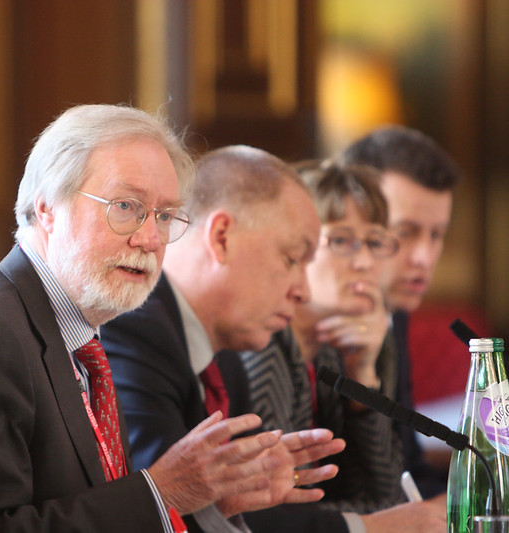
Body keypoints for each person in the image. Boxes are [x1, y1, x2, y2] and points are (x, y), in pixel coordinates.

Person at [0, 104, 344, 533]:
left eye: (164, 216)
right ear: (47, 209)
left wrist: (208, 504)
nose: (150, 239)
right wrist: (160, 494)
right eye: (126, 207)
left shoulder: (80, 337)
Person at [102, 147, 446, 532]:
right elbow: (163, 509)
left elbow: (233, 507)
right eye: (292, 259)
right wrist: (374, 527)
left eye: (375, 243)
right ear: (221, 237)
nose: (302, 290)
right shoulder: (139, 331)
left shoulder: (225, 350)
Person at [236, 161, 405, 513]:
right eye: (341, 240)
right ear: (299, 247)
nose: (364, 262)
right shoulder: (261, 343)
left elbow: (384, 493)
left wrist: (362, 376)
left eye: (375, 242)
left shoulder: (359, 341)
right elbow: (273, 513)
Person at [339, 125, 460, 497]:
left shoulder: (394, 311)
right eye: (406, 232)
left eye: (436, 235)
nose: (424, 257)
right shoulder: (310, 323)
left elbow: (409, 468)